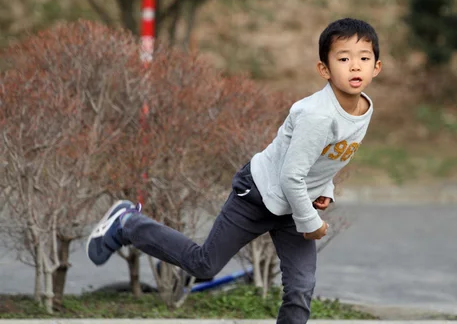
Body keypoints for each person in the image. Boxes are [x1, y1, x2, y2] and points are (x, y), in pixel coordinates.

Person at [86, 17, 383, 323]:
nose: (355, 66)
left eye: (364, 58)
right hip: (257, 194)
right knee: (204, 265)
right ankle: (128, 224)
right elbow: (290, 175)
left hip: (295, 204)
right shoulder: (317, 115)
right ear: (324, 69)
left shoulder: (361, 108)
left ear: (376, 67)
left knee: (301, 288)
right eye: (343, 59)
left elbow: (328, 158)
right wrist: (311, 222)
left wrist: (324, 191)